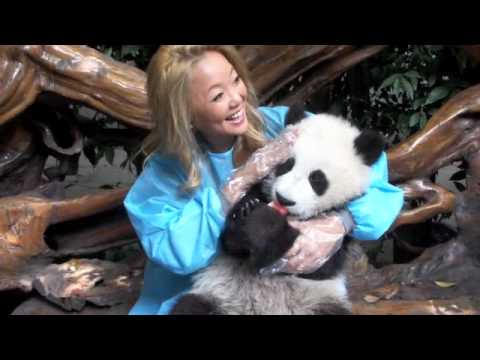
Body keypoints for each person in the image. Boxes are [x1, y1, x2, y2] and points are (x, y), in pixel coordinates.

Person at [124, 45, 404, 315]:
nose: (236, 98)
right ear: (185, 114)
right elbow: (180, 254)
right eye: (217, 96)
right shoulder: (163, 176)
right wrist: (238, 184)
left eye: (236, 80)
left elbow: (368, 173)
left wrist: (342, 221)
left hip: (302, 294)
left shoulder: (287, 126)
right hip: (216, 293)